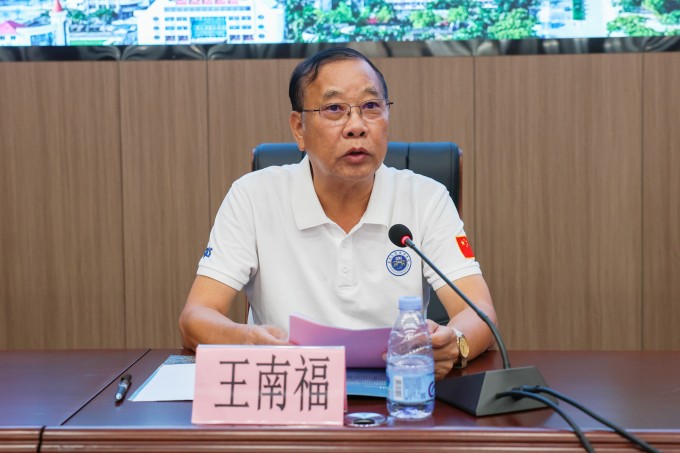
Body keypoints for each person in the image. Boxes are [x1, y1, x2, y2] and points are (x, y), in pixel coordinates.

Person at [179, 47, 497, 380]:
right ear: (299, 128)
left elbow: (479, 313)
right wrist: (246, 340)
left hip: (400, 391)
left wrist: (455, 343)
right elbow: (196, 317)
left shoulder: (425, 198)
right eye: (334, 109)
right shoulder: (253, 196)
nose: (356, 126)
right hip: (290, 389)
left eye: (371, 106)